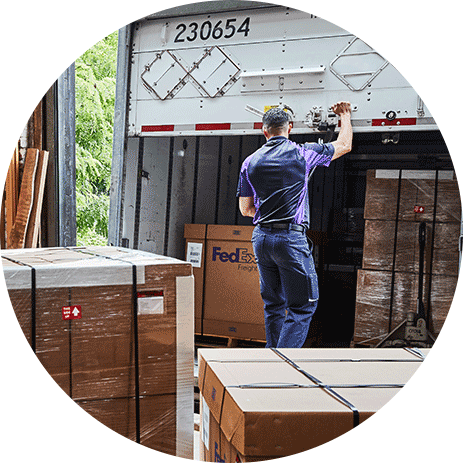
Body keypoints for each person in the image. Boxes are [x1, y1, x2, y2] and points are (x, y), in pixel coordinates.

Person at [236, 102, 353, 348]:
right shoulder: (302, 153)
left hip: (262, 239)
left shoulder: (249, 162)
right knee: (302, 306)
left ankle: (272, 358)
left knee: (273, 304)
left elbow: (245, 209)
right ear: (290, 127)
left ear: (264, 131)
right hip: (290, 239)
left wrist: (268, 212)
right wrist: (345, 115)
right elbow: (344, 145)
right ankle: (282, 365)